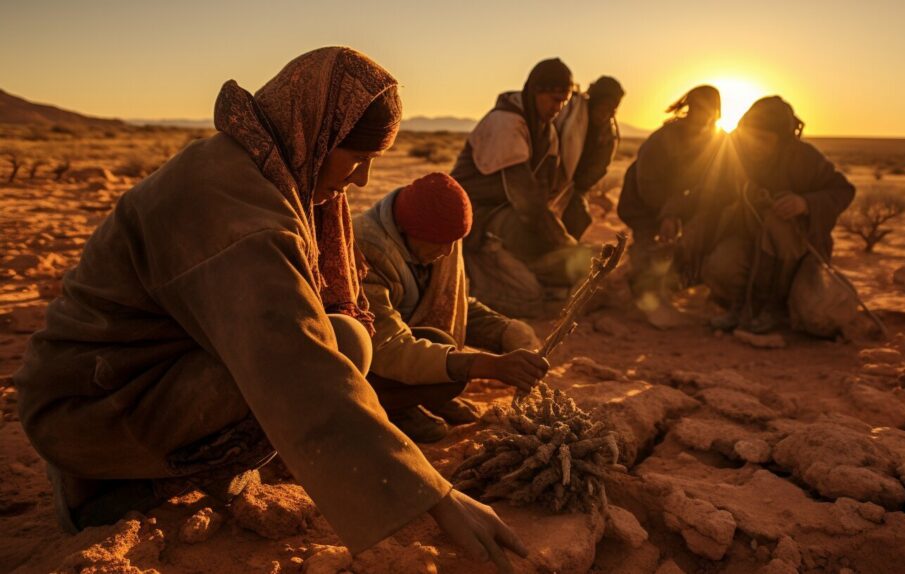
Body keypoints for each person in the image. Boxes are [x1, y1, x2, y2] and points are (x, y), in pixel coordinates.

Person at [13, 47, 527, 571]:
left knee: (345, 340)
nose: (362, 180)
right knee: (340, 347)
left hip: (124, 382)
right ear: (317, 135)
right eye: (356, 158)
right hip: (89, 407)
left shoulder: (251, 169)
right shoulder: (241, 213)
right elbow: (296, 365)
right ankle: (105, 488)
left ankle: (152, 472)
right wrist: (436, 496)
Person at [354, 172, 548, 443]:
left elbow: (451, 302)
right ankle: (393, 407)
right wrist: (487, 365)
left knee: (447, 356)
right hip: (366, 365)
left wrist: (505, 331)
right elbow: (385, 347)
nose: (447, 252)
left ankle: (428, 395)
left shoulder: (438, 238)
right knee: (447, 356)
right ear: (406, 230)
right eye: (439, 243)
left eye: (452, 243)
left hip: (405, 343)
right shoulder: (365, 249)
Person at [702, 95, 858, 336]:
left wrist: (805, 203)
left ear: (781, 139)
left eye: (763, 139)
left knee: (816, 316)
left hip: (797, 257)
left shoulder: (804, 157)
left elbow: (843, 190)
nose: (754, 144)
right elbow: (711, 196)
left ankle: (773, 308)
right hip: (749, 246)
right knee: (721, 265)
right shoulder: (733, 154)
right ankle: (742, 307)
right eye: (750, 135)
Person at [450, 58, 592, 318]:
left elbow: (547, 190)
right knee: (524, 234)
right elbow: (526, 200)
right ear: (535, 92)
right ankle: (490, 282)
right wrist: (565, 243)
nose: (558, 107)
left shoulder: (546, 131)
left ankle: (545, 278)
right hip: (470, 215)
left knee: (574, 214)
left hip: (507, 210)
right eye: (553, 99)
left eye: (564, 101)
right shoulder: (506, 122)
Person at [616, 86, 727, 327]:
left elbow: (710, 185)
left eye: (709, 109)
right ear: (689, 107)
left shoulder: (717, 141)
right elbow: (647, 184)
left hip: (683, 209)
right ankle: (638, 292)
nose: (703, 115)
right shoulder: (663, 139)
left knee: (691, 247)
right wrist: (668, 215)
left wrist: (678, 213)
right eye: (698, 108)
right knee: (649, 250)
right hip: (643, 206)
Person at [556, 76, 625, 240]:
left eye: (611, 109)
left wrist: (578, 186)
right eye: (603, 106)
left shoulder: (607, 133)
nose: (605, 113)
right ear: (594, 101)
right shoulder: (568, 115)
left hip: (576, 187)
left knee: (579, 220)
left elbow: (601, 166)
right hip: (550, 181)